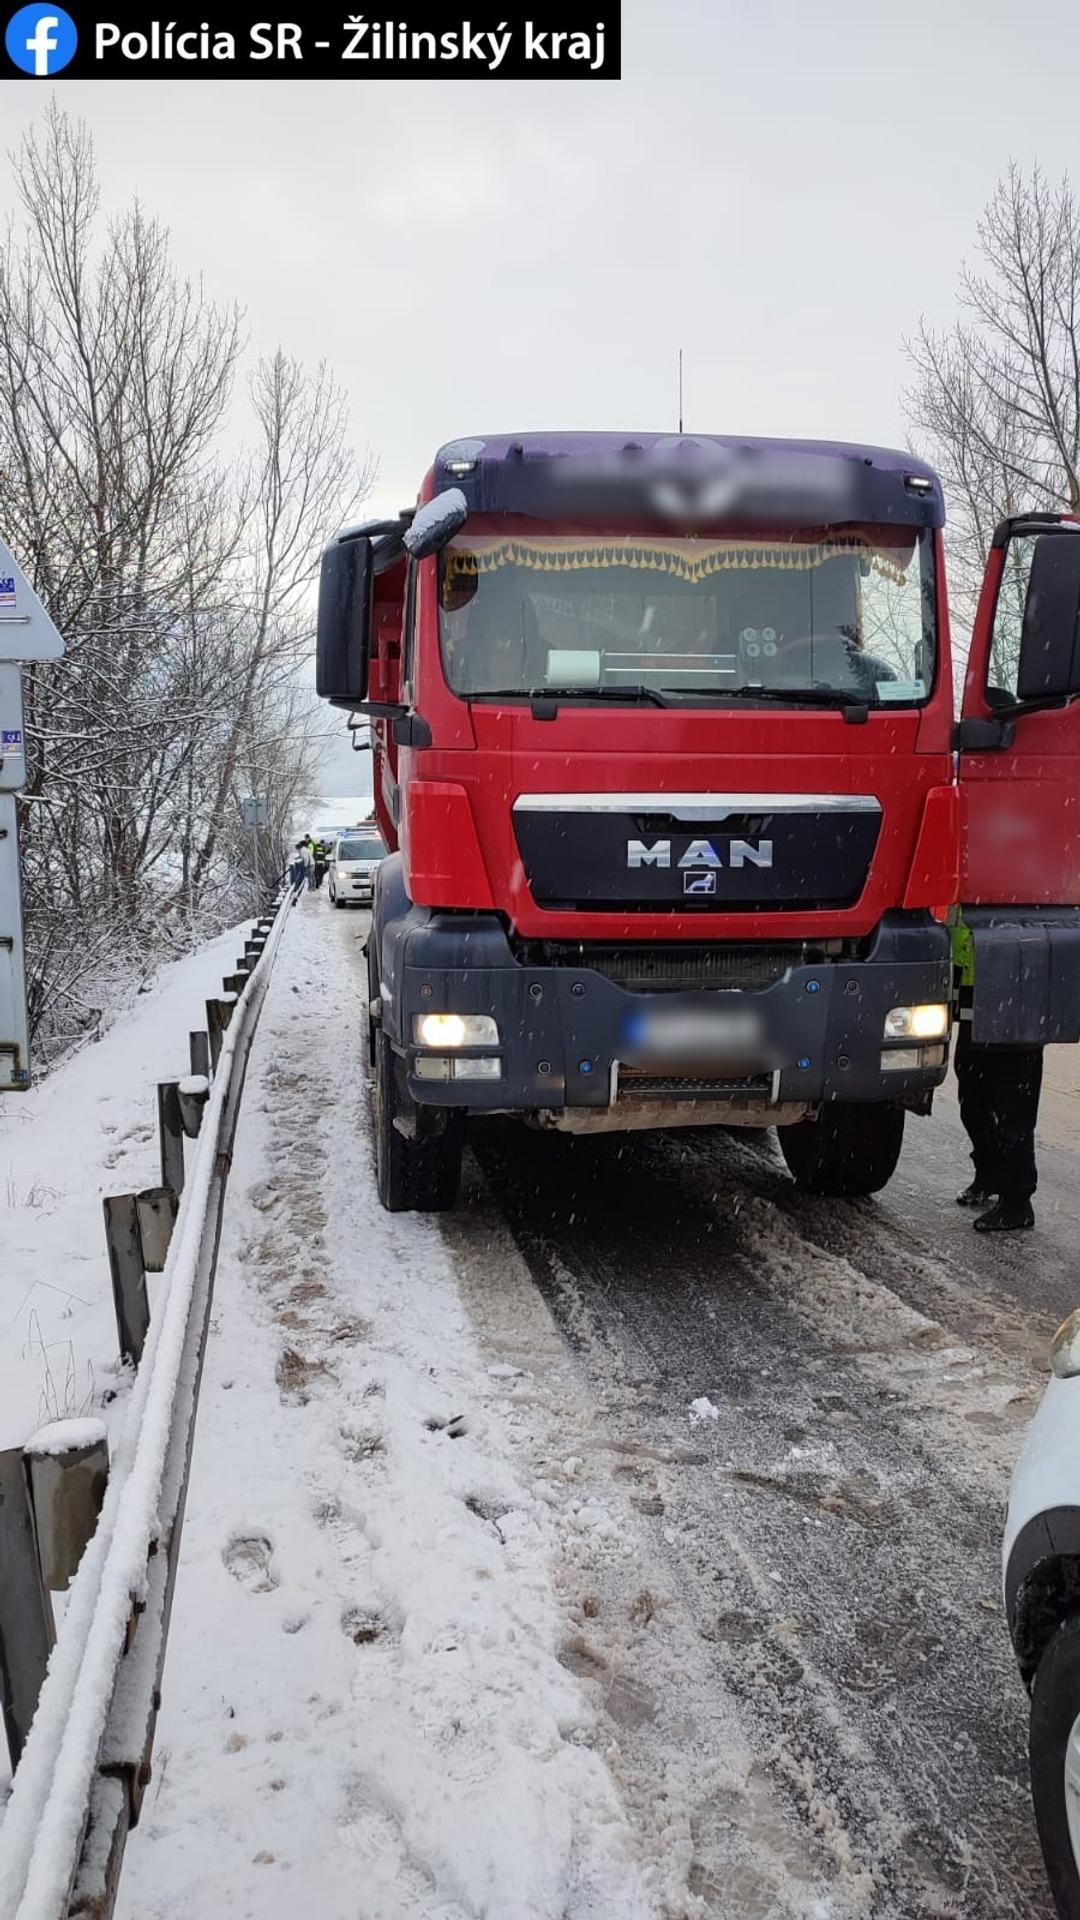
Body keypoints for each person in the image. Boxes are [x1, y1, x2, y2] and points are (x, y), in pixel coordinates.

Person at [951, 919, 1042, 1233]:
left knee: (1013, 1110)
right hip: (975, 995)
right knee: (971, 1097)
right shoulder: (976, 879)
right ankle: (989, 1174)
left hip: (1017, 994)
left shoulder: (1028, 883)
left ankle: (1017, 1202)